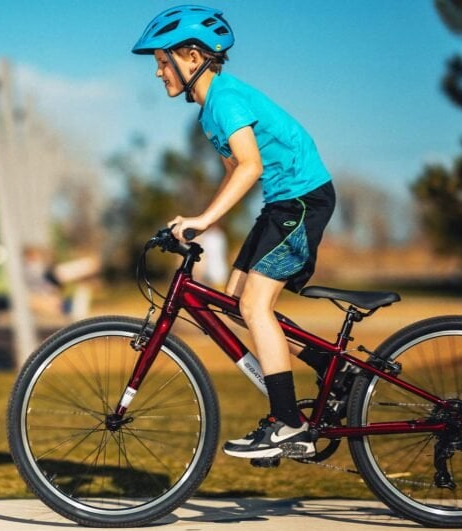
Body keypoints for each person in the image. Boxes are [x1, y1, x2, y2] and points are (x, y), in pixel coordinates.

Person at [133, 5, 336, 460]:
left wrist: (203, 221)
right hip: (281, 203)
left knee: (253, 304)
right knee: (236, 299)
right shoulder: (209, 111)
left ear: (191, 56)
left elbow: (251, 166)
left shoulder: (224, 99)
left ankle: (288, 424)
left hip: (303, 200)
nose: (158, 72)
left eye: (163, 62)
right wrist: (199, 221)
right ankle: (326, 365)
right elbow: (235, 175)